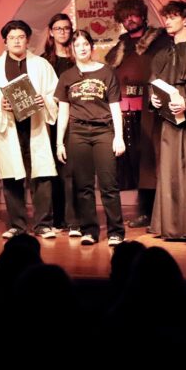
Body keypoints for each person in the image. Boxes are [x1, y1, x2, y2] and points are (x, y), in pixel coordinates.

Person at [0, 20, 58, 240]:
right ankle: (17, 225)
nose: (17, 41)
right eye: (12, 38)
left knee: (41, 176)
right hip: (9, 127)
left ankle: (43, 224)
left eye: (21, 37)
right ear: (5, 42)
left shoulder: (41, 65)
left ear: (27, 40)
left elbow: (55, 92)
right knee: (12, 176)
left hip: (35, 126)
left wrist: (44, 100)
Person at [104, 0, 172, 229]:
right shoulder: (121, 46)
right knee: (134, 163)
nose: (129, 20)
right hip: (126, 111)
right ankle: (144, 211)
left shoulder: (160, 41)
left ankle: (156, 212)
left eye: (133, 15)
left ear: (142, 15)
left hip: (151, 110)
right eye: (125, 17)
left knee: (150, 162)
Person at [56, 30, 126, 246]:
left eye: (85, 44)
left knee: (108, 184)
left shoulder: (106, 72)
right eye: (77, 45)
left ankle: (116, 231)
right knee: (83, 185)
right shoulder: (67, 76)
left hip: (104, 131)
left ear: (91, 47)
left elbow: (115, 107)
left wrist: (119, 137)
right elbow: (63, 112)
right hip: (78, 133)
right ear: (72, 49)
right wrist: (59, 142)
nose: (82, 48)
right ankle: (89, 231)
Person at [149, 0, 186, 240]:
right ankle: (173, 225)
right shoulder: (163, 53)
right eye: (166, 17)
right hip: (169, 120)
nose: (168, 21)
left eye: (173, 16)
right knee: (170, 171)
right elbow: (155, 84)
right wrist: (154, 99)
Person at [41, 14, 76, 231]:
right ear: (51, 32)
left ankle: (74, 218)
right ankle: (57, 217)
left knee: (72, 169)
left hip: (75, 118)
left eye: (66, 28)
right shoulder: (43, 61)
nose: (63, 32)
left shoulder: (77, 58)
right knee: (54, 168)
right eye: (58, 28)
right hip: (50, 120)